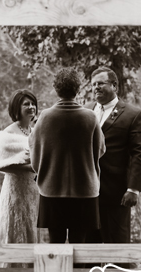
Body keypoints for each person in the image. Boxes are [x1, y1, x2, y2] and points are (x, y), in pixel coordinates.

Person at [30, 68, 105, 244]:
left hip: (52, 190)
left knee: (55, 244)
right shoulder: (90, 117)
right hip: (85, 190)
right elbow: (101, 149)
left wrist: (43, 171)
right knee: (79, 243)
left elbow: (34, 151)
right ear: (77, 89)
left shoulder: (45, 117)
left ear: (56, 89)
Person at [86, 67, 141, 244]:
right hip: (87, 192)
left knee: (117, 247)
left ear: (114, 85)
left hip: (116, 194)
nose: (96, 87)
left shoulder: (132, 115)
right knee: (88, 249)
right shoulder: (85, 111)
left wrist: (133, 189)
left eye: (101, 83)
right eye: (93, 85)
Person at [0, 89, 40, 245]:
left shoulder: (34, 131)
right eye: (26, 104)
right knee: (14, 226)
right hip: (15, 191)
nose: (31, 107)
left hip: (33, 190)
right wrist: (31, 168)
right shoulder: (6, 134)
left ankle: (30, 267)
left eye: (33, 104)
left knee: (31, 225)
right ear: (16, 107)